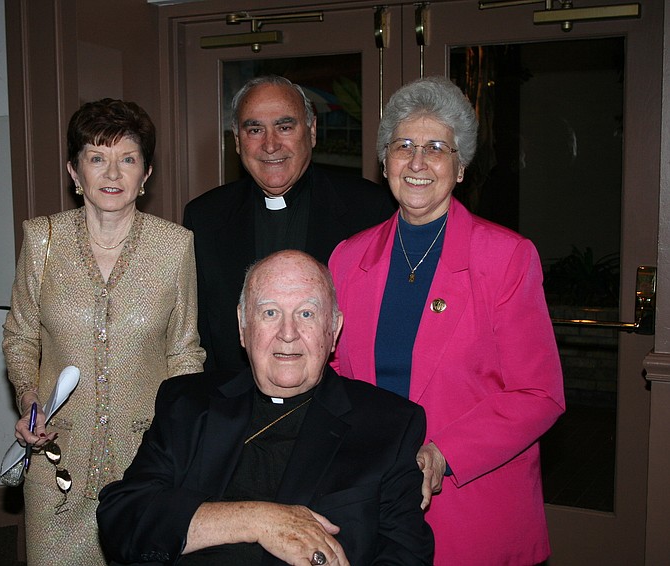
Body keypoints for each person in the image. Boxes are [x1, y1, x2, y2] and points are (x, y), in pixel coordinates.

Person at [328, 76, 566, 565]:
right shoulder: (347, 260)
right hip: (369, 504)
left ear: (460, 168)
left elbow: (539, 395)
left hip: (470, 505)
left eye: (436, 148)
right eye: (404, 146)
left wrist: (443, 453)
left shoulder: (506, 258)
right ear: (385, 161)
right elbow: (333, 377)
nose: (417, 162)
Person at [97, 250, 434, 566]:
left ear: (334, 330)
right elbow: (122, 518)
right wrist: (258, 520)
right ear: (244, 326)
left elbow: (406, 556)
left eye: (306, 313)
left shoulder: (388, 425)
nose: (288, 334)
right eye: (270, 312)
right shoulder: (187, 402)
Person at [3, 98, 205, 564]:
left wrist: (184, 436)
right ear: (75, 172)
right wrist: (30, 398)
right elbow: (21, 337)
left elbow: (184, 352)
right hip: (57, 459)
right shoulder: (42, 240)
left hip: (148, 461)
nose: (112, 173)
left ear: (146, 173)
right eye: (97, 158)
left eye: (128, 159)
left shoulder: (174, 246)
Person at [183, 75, 395, 372]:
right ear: (237, 141)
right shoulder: (204, 218)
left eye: (284, 127)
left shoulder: (370, 210)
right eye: (255, 129)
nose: (270, 145)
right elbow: (199, 338)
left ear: (311, 132)